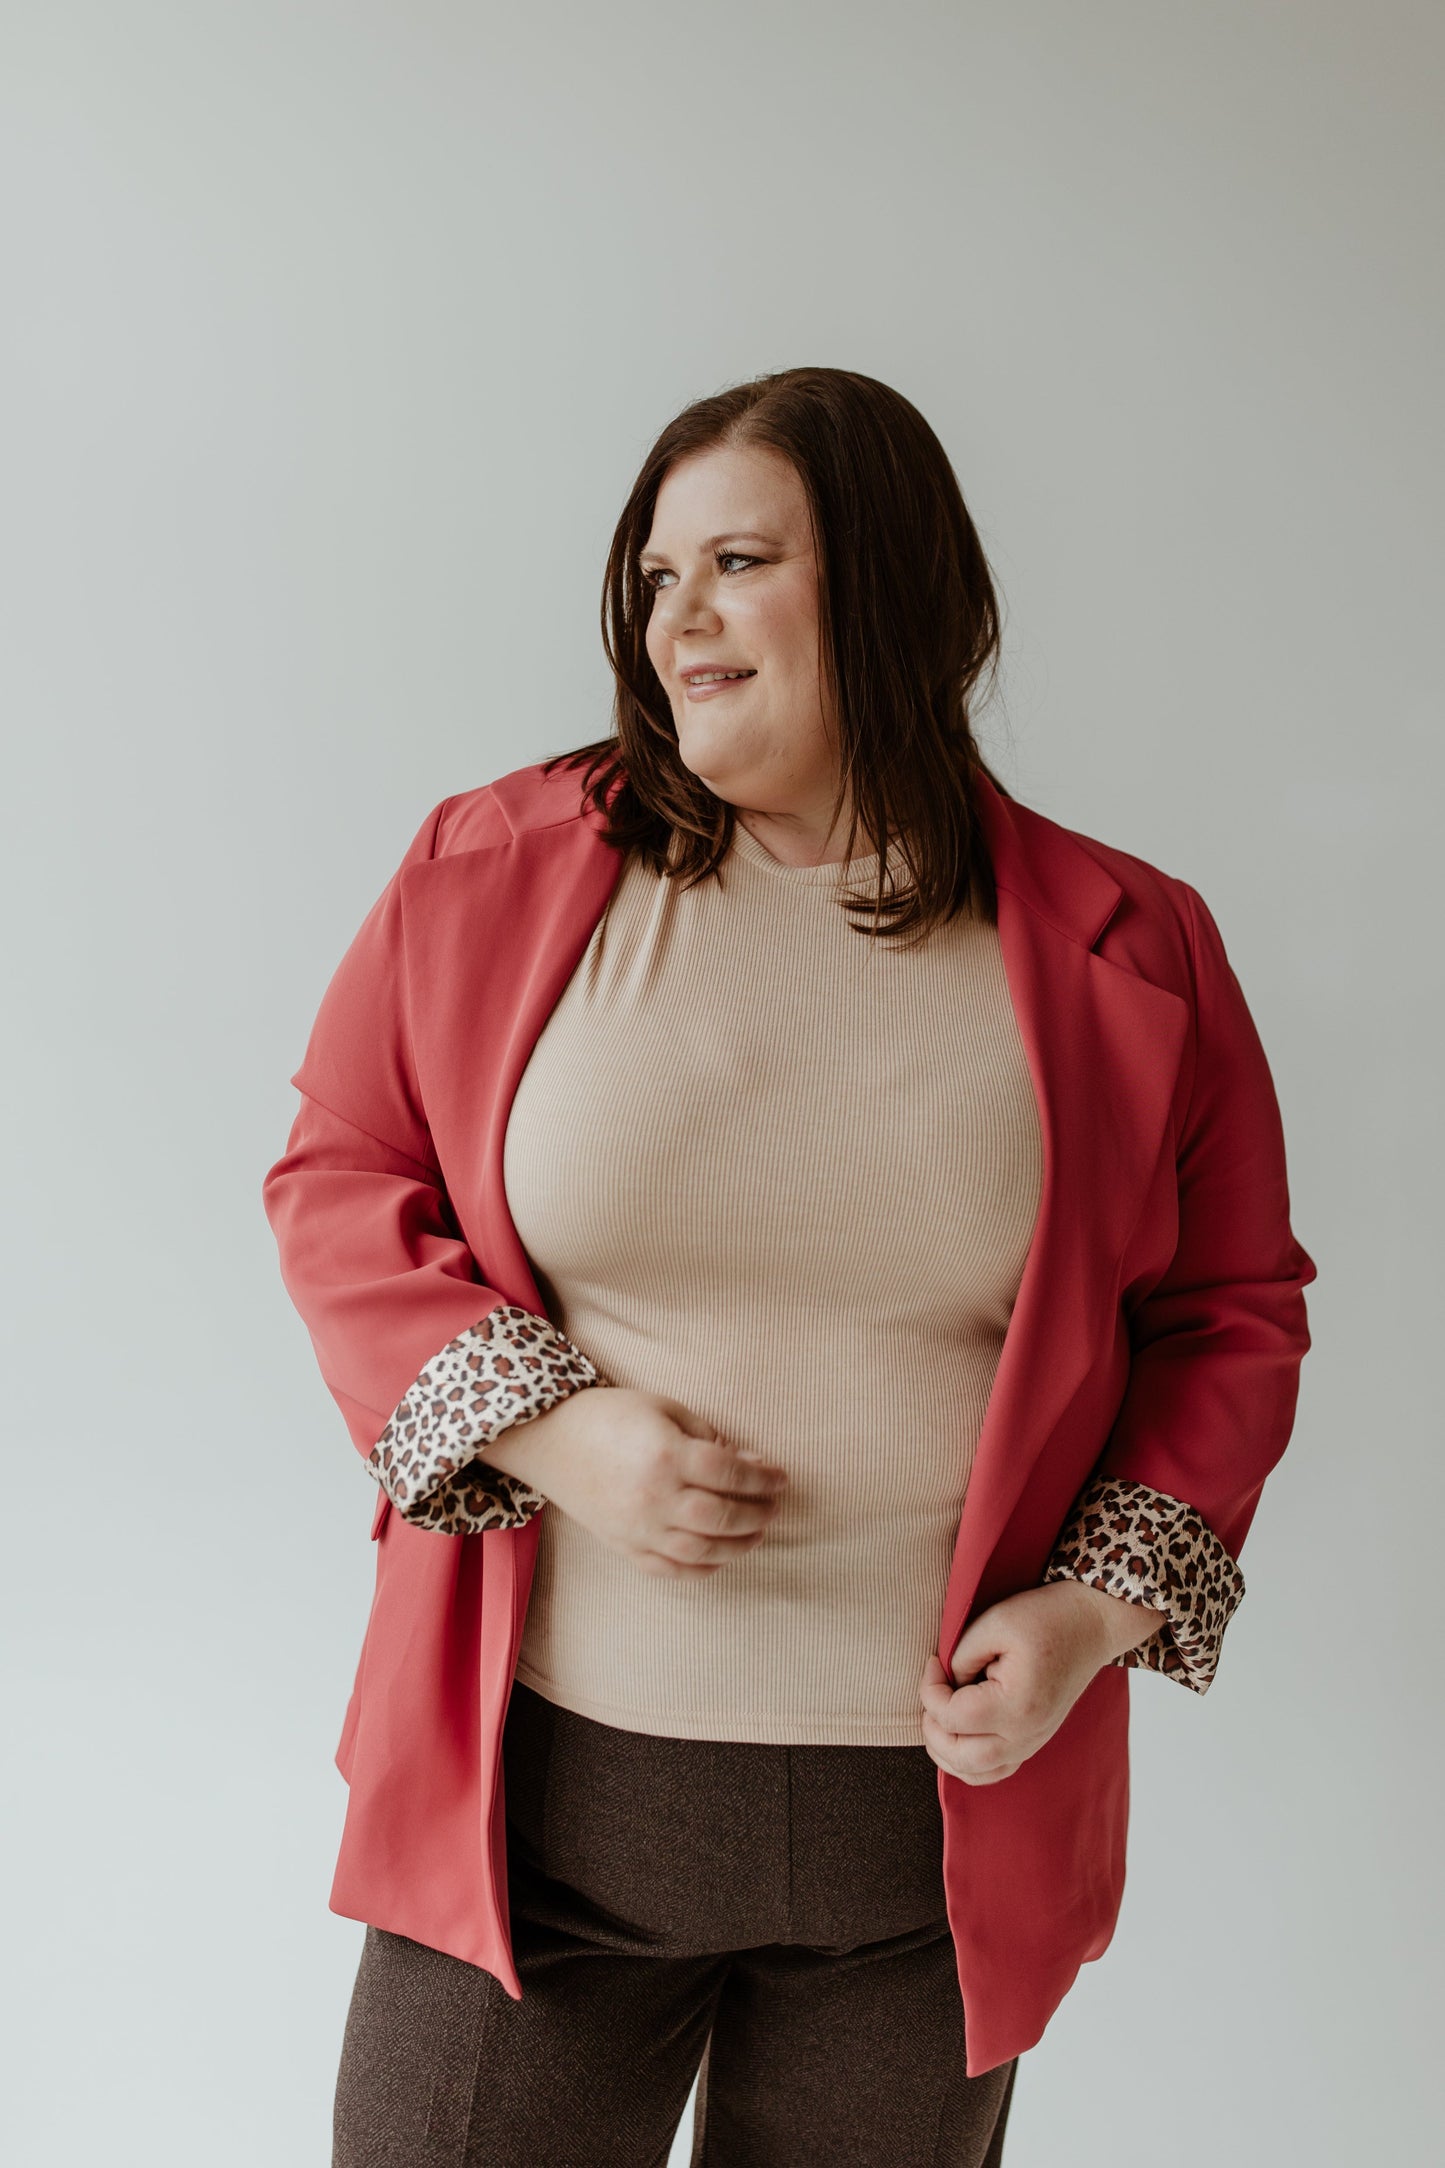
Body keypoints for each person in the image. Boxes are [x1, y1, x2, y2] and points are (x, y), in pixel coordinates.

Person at [262, 366, 1316, 2167]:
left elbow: (1230, 1322)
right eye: (654, 577)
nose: (679, 618)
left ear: (892, 586)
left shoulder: (1132, 950)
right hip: (540, 1818)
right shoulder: (489, 868)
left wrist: (1088, 1619)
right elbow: (341, 1182)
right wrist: (557, 1431)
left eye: (736, 560)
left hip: (928, 1862)